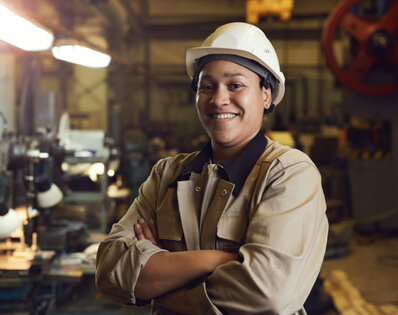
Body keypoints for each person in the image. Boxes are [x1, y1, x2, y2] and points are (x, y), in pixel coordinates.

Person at [96, 22, 328, 315]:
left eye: (235, 85)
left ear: (266, 94)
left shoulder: (288, 174)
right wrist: (217, 259)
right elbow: (108, 270)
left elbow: (267, 294)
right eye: (207, 86)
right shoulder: (167, 175)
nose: (218, 99)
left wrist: (162, 285)